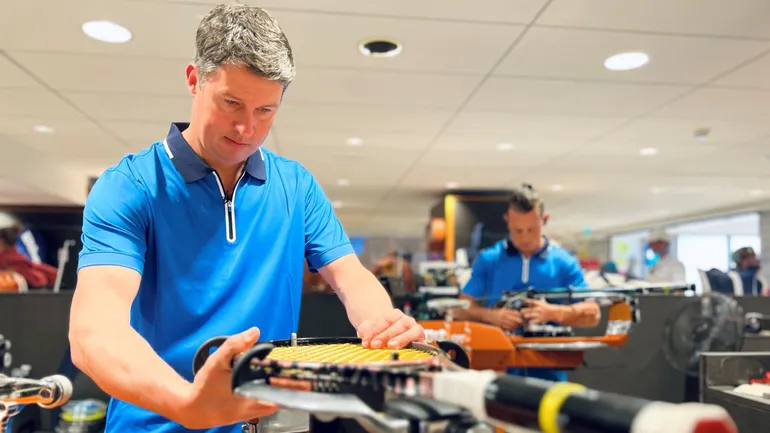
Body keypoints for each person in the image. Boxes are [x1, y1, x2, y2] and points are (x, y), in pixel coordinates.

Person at [68, 5, 424, 433]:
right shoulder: (131, 185)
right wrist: (187, 404)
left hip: (265, 423)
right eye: (231, 103)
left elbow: (351, 277)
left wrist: (381, 324)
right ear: (194, 79)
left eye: (265, 111)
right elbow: (93, 332)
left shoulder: (295, 185)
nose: (246, 129)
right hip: (156, 421)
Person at [450, 185, 600, 382]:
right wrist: (491, 316)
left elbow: (593, 314)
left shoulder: (564, 262)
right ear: (507, 221)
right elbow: (460, 309)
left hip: (548, 372)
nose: (525, 237)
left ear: (544, 221)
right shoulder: (489, 259)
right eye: (517, 230)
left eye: (532, 229)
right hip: (495, 372)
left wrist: (553, 312)